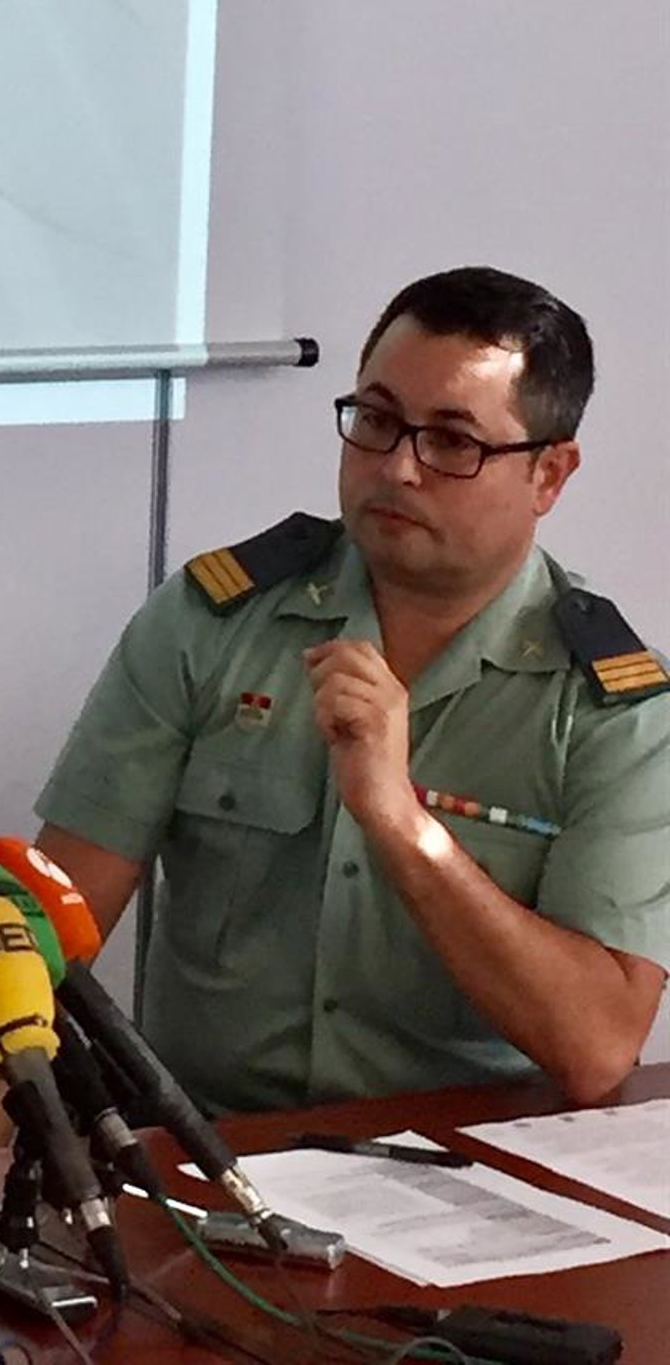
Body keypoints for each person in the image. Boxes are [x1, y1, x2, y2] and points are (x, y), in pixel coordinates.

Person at [33, 266, 670, 1114]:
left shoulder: (613, 711)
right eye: (376, 421)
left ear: (549, 475)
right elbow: (41, 945)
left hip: (469, 1161)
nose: (398, 468)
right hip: (207, 1142)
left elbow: (596, 1047)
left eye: (453, 442)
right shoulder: (212, 623)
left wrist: (401, 824)